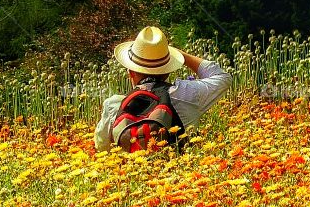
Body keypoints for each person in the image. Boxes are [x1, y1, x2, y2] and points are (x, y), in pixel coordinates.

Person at [94, 25, 231, 153]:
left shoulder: (114, 105)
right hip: (180, 174)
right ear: (168, 72)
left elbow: (102, 148)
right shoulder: (186, 94)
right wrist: (181, 55)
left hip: (130, 175)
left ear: (130, 72)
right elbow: (222, 78)